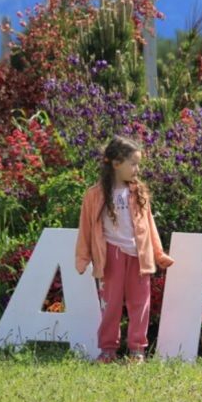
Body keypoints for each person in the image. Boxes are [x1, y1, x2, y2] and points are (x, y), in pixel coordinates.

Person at [75, 135, 174, 363]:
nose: (137, 169)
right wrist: (82, 258)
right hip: (110, 257)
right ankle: (108, 349)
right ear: (117, 163)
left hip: (139, 258)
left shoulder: (138, 192)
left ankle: (137, 350)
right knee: (110, 305)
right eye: (133, 163)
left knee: (140, 304)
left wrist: (158, 255)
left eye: (138, 164)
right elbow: (86, 229)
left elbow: (150, 227)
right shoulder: (94, 194)